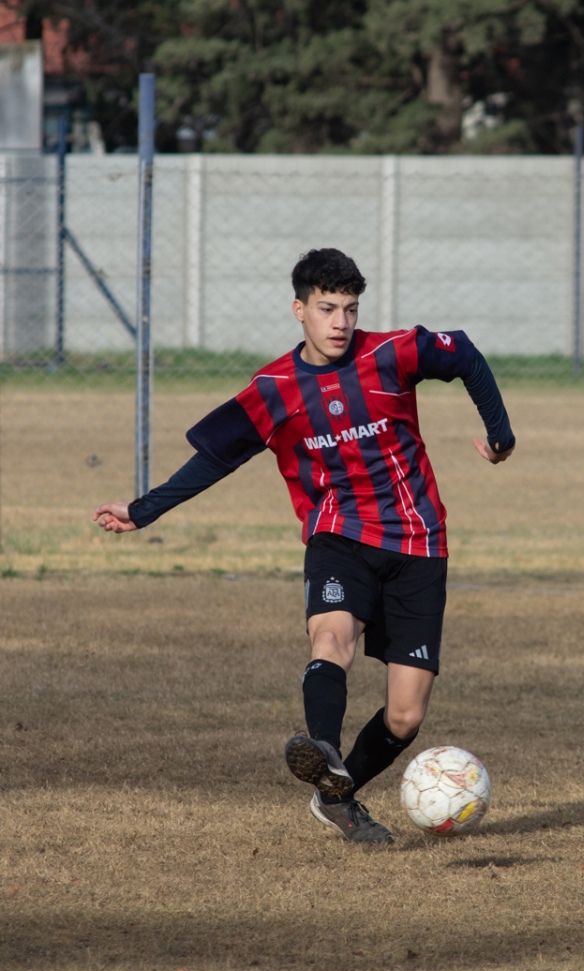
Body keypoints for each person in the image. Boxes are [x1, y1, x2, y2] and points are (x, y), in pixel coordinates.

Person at [94, 247, 515, 844]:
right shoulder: (273, 388)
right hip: (338, 535)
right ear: (299, 310)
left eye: (348, 308)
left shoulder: (390, 353)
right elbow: (214, 459)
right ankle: (323, 748)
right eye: (326, 308)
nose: (340, 321)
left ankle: (336, 797)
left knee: (406, 714)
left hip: (420, 543)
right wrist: (143, 510)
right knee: (331, 637)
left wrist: (502, 436)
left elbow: (465, 353)